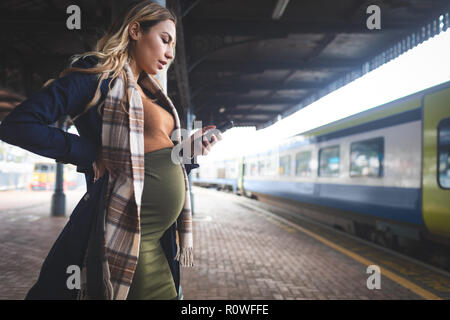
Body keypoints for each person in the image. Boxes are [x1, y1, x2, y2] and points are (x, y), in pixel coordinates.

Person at [0, 0, 222, 300]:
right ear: (135, 30)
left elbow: (155, 154)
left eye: (173, 45)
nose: (170, 53)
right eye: (164, 40)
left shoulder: (152, 93)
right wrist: (88, 153)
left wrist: (189, 151)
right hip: (125, 234)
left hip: (158, 238)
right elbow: (18, 125)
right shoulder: (97, 75)